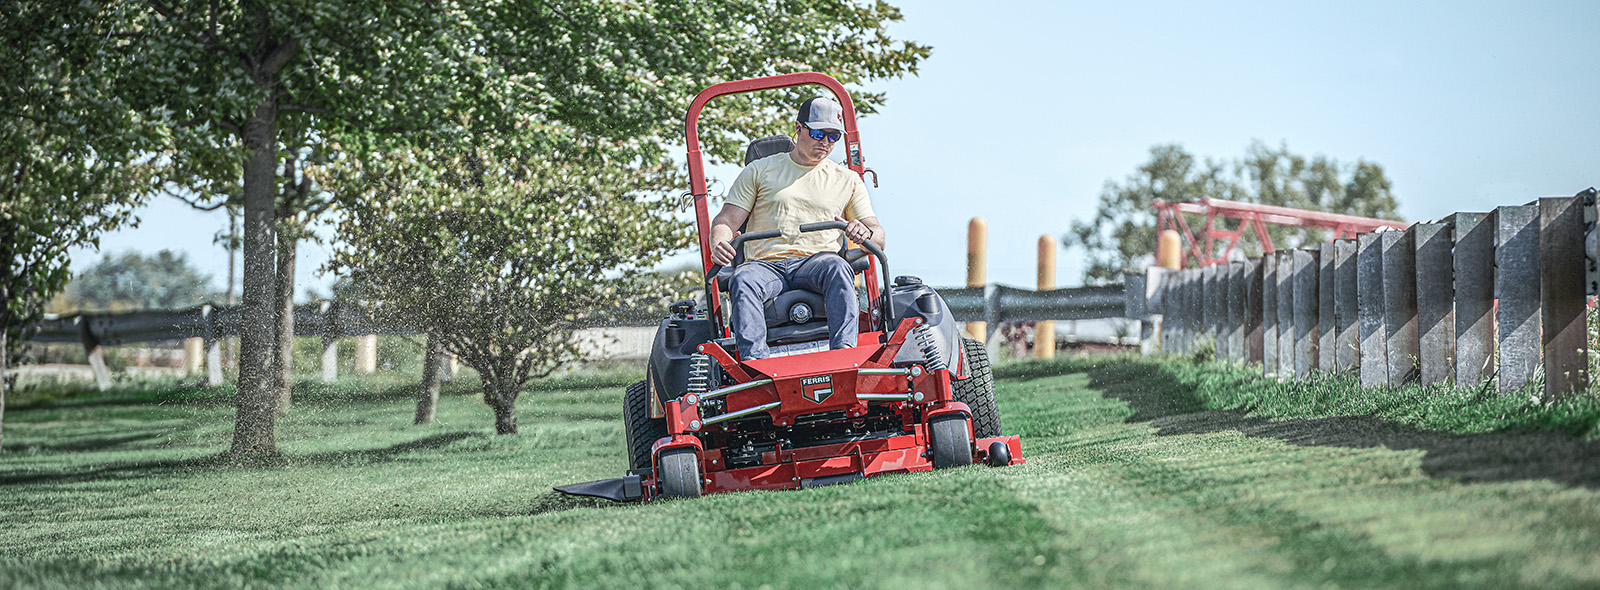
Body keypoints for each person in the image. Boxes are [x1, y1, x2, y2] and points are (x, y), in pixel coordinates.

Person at [709, 96, 886, 359]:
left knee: (839, 267)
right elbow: (726, 221)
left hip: (817, 263)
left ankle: (844, 356)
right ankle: (754, 365)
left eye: (833, 136)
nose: (824, 142)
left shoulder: (847, 180)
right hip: (765, 266)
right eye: (817, 133)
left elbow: (877, 235)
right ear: (799, 128)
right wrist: (719, 243)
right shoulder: (760, 171)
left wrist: (865, 233)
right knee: (743, 279)